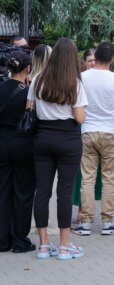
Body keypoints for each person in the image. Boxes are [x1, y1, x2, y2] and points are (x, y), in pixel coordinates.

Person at [29, 38, 88, 260]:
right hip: (68, 139)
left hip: (42, 137)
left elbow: (30, 109)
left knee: (42, 191)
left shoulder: (36, 81)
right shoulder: (75, 83)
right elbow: (80, 118)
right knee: (64, 192)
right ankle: (64, 246)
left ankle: (43, 245)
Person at [74, 42, 114, 236]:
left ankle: (85, 221)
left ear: (95, 56)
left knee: (87, 178)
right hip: (111, 132)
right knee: (109, 179)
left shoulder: (82, 78)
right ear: (112, 58)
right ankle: (107, 222)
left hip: (87, 130)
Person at [0, 48, 36, 253]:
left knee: (2, 191)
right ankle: (20, 240)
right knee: (23, 192)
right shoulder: (28, 92)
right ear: (28, 68)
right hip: (23, 144)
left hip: (2, 143)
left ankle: (2, 239)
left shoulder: (1, 88)